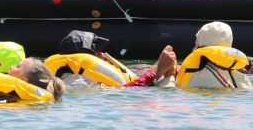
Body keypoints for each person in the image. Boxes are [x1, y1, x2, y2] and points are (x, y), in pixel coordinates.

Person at [49, 30, 177, 88]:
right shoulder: (79, 82)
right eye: (95, 51)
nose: (101, 55)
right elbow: (131, 92)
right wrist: (157, 69)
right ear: (82, 56)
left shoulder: (86, 75)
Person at [178, 21, 252, 88]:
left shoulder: (199, 78)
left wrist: (169, 76)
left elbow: (174, 96)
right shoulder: (243, 78)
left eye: (196, 45)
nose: (193, 49)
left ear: (201, 48)